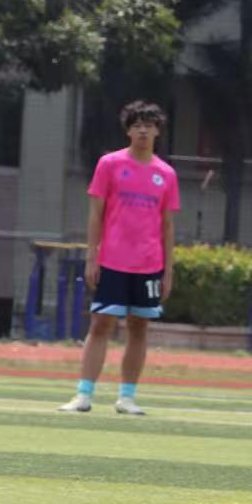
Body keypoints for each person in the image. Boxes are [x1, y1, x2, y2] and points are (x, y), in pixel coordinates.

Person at [59, 100, 180, 415]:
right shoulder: (109, 164)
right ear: (128, 131)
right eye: (136, 125)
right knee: (100, 324)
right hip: (112, 261)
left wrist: (168, 271)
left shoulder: (166, 174)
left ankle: (127, 397)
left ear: (157, 131)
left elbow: (167, 225)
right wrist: (92, 257)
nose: (143, 130)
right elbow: (95, 215)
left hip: (149, 264)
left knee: (139, 327)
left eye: (148, 125)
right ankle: (83, 395)